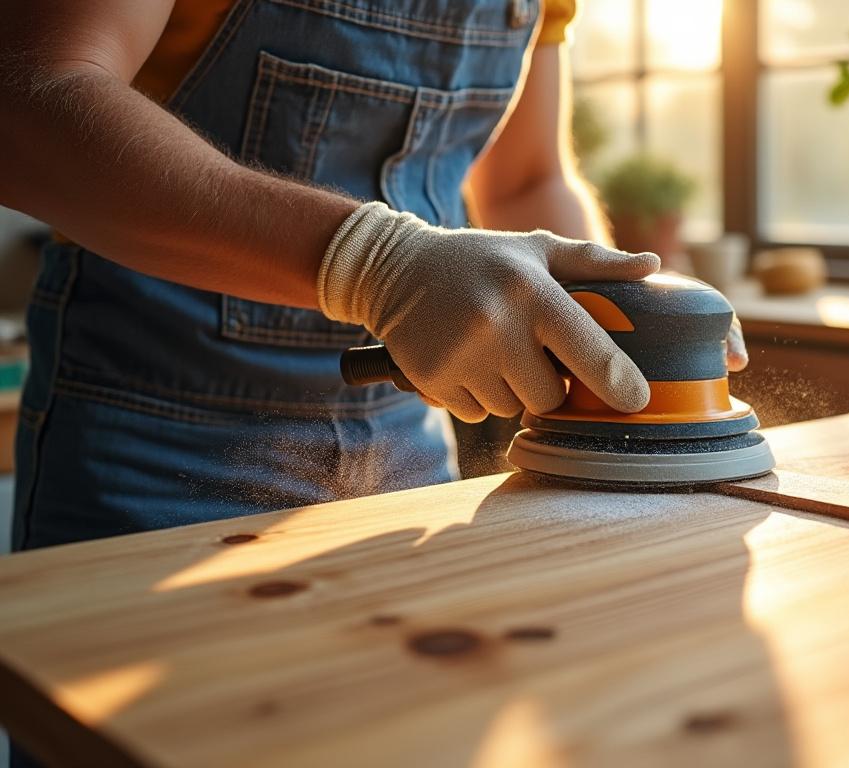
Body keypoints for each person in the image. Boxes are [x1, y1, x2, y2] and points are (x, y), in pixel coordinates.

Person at [0, 0, 748, 558]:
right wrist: (376, 263)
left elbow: (524, 183)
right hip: (158, 439)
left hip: (407, 446)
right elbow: (27, 101)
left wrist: (622, 309)